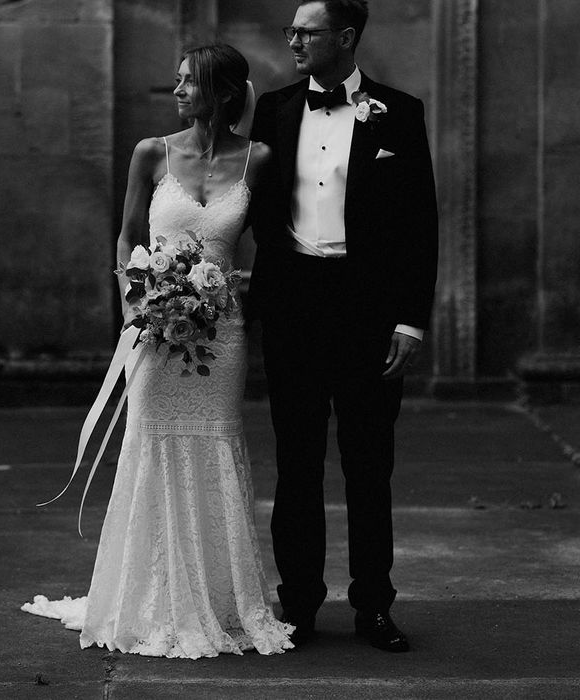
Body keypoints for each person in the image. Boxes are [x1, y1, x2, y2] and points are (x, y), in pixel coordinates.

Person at [22, 44, 294, 659]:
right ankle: (148, 595)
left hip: (220, 337)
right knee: (151, 447)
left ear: (224, 93)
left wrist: (235, 289)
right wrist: (134, 304)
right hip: (153, 333)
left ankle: (220, 601)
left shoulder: (259, 159)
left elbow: (273, 245)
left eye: (188, 83)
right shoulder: (152, 152)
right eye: (175, 82)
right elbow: (125, 239)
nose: (176, 92)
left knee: (215, 445)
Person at [249, 0, 438, 651]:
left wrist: (411, 320)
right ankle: (298, 603)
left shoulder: (400, 112)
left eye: (308, 31)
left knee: (368, 465)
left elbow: (421, 224)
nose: (293, 40)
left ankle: (374, 606)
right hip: (293, 312)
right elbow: (244, 204)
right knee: (296, 465)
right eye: (292, 31)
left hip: (368, 316)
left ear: (346, 36)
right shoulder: (272, 108)